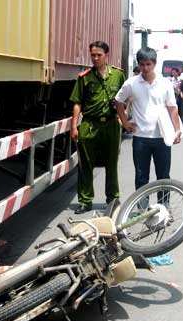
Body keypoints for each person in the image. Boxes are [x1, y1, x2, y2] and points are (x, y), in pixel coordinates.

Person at [69, 41, 126, 214]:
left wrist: (123, 117)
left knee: (111, 164)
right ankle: (85, 201)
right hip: (89, 125)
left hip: (111, 125)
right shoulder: (84, 77)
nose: (95, 58)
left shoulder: (118, 75)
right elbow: (77, 103)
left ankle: (112, 199)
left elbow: (126, 96)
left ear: (106, 55)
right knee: (85, 164)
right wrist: (74, 126)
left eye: (98, 55)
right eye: (92, 55)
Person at [115, 47, 181, 190]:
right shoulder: (131, 83)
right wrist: (125, 123)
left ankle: (163, 209)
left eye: (148, 64)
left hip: (162, 137)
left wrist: (177, 130)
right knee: (141, 177)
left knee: (163, 176)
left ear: (155, 64)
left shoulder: (165, 83)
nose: (145, 68)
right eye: (142, 64)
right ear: (138, 64)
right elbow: (118, 101)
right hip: (140, 138)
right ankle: (142, 210)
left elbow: (172, 108)